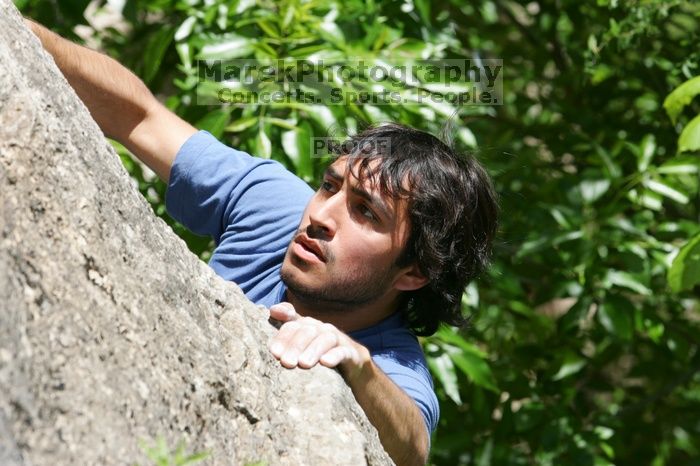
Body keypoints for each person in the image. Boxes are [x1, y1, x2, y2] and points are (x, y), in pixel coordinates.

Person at [27, 19, 498, 466]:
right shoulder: (275, 205)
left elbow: (411, 447)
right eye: (330, 186)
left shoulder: (389, 362)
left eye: (365, 212)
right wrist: (17, 31)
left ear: (414, 272)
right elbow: (138, 115)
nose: (320, 216)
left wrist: (356, 363)